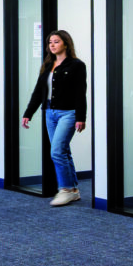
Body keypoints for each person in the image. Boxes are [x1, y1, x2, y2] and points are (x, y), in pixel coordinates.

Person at [22, 30, 88, 206]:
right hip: (49, 112)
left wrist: (81, 117)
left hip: (68, 113)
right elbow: (38, 92)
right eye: (50, 42)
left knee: (57, 152)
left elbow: (80, 93)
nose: (52, 45)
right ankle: (73, 190)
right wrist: (28, 113)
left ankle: (65, 189)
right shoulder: (47, 65)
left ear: (66, 43)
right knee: (63, 151)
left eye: (56, 41)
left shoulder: (76, 65)